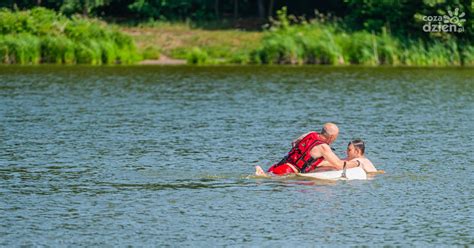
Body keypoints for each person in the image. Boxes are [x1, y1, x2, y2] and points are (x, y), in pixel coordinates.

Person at [255, 123, 359, 176]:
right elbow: (339, 165)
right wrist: (356, 163)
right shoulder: (324, 147)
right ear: (332, 137)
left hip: (280, 165)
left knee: (267, 176)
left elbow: (294, 142)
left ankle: (263, 174)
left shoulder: (310, 134)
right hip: (288, 171)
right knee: (268, 179)